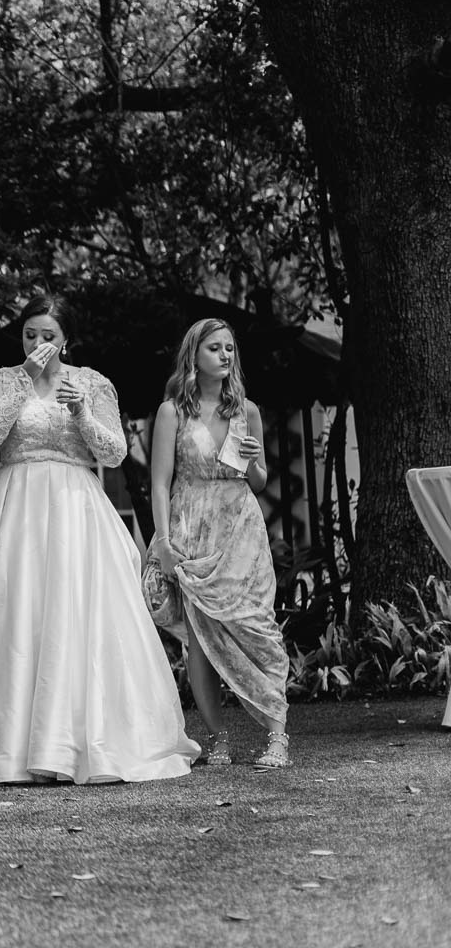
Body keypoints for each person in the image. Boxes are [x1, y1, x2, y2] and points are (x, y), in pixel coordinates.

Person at [0, 295, 197, 785]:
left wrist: (82, 415)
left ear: (65, 339)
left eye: (48, 335)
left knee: (80, 615)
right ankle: (11, 748)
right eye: (31, 334)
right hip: (18, 506)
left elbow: (113, 453)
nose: (38, 344)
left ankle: (82, 741)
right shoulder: (2, 379)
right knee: (17, 614)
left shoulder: (92, 383)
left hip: (77, 508)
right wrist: (25, 380)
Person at [148, 319, 290, 768]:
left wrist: (252, 462)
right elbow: (159, 484)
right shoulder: (173, 412)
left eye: (230, 348)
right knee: (199, 641)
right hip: (190, 529)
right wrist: (165, 544)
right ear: (195, 355)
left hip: (240, 530)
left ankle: (277, 736)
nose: (225, 355)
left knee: (258, 627)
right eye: (215, 348)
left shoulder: (246, 410)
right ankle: (218, 739)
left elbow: (260, 481)